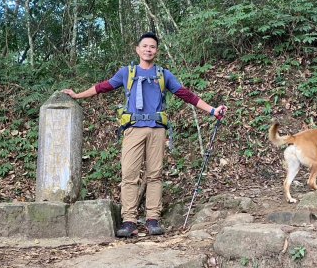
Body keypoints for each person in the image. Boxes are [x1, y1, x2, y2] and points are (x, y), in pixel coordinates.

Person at [62, 32, 227, 238]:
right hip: (133, 130)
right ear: (138, 49)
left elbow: (186, 94)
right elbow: (103, 87)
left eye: (152, 47)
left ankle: (152, 219)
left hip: (157, 129)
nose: (149, 49)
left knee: (154, 174)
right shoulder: (127, 73)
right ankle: (129, 220)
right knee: (129, 175)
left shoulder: (163, 74)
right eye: (145, 46)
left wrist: (212, 110)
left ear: (156, 51)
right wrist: (78, 95)